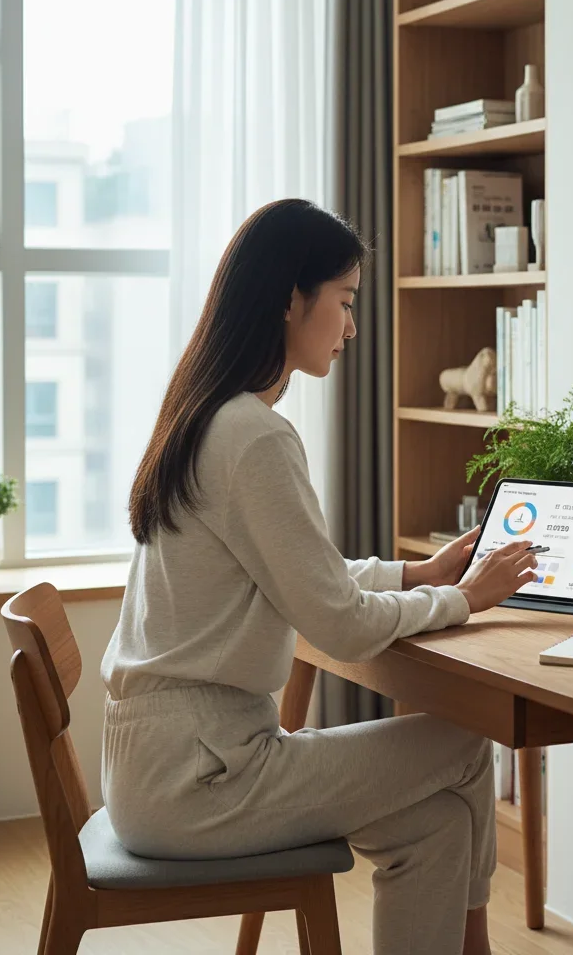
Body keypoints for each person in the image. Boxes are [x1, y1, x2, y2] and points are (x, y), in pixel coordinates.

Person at [100, 199, 538, 955]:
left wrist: (415, 572)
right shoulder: (255, 436)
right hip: (206, 778)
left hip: (164, 769)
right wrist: (464, 597)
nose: (352, 326)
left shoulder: (208, 415)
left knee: (432, 828)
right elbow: (336, 620)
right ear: (291, 300)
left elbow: (299, 575)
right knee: (468, 745)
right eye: (344, 301)